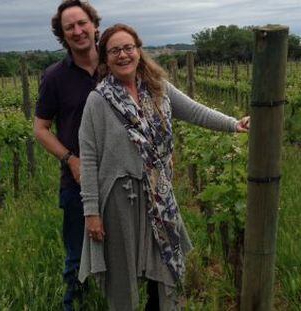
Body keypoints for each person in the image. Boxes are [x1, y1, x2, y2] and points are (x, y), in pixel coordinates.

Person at [78, 23, 250, 310]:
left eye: (128, 47)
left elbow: (196, 111)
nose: (123, 55)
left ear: (139, 51)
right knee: (123, 277)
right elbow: (88, 158)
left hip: (159, 196)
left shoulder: (158, 89)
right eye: (115, 50)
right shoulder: (98, 100)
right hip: (120, 201)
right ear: (105, 59)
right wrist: (91, 213)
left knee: (165, 271)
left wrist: (234, 125)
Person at [33, 1, 100, 310]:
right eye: (69, 27)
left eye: (82, 23)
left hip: (121, 175)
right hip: (77, 179)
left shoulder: (117, 63)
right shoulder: (55, 77)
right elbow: (41, 129)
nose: (78, 30)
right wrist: (70, 160)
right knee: (77, 252)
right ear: (62, 34)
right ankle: (74, 304)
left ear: (94, 24)